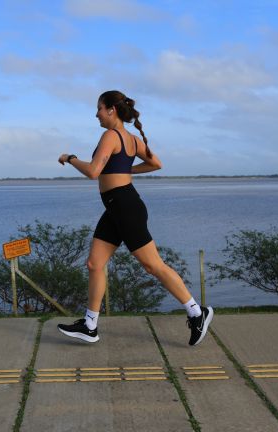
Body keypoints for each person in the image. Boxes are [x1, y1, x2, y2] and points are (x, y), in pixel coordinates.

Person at [56, 90, 213, 346]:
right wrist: (124, 168)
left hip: (125, 206)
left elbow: (94, 171)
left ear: (111, 110)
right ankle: (90, 325)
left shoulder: (110, 135)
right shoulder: (131, 139)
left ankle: (197, 312)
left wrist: (71, 158)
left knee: (154, 266)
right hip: (116, 207)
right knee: (95, 264)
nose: (96, 113)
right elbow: (156, 164)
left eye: (98, 108)